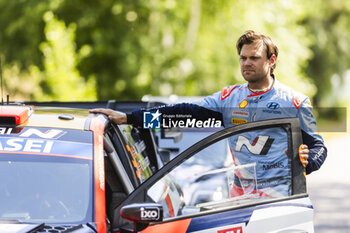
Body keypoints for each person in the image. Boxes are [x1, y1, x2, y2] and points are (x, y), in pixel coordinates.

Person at [90, 30, 326, 179]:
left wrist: (307, 161)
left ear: (271, 61)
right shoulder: (228, 98)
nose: (246, 63)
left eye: (254, 58)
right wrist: (131, 118)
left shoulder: (295, 101)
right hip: (241, 194)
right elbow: (180, 115)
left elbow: (319, 147)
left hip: (282, 195)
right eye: (243, 58)